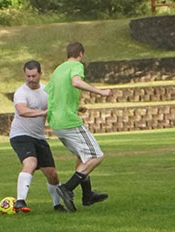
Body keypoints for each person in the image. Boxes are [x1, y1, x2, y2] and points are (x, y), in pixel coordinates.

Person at [45, 42, 110, 212]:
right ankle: (67, 188)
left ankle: (87, 196)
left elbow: (51, 96)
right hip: (69, 122)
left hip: (56, 123)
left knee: (82, 157)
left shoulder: (58, 70)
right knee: (96, 156)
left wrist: (74, 107)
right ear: (81, 54)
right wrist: (101, 92)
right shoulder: (76, 65)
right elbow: (76, 82)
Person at [9, 60, 66, 213]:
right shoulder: (21, 92)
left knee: (52, 174)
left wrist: (75, 108)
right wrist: (42, 113)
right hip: (20, 135)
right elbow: (22, 111)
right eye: (28, 76)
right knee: (31, 163)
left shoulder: (47, 90)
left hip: (38, 137)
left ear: (40, 74)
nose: (31, 79)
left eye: (34, 76)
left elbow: (59, 104)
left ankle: (57, 205)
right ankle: (20, 201)